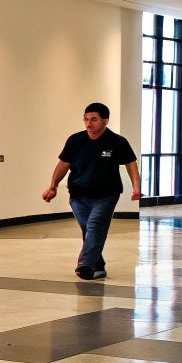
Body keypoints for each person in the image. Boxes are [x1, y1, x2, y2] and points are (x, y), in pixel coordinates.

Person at [42, 101, 141, 281]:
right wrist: (53, 186)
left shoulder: (117, 142)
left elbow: (131, 164)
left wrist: (136, 187)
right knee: (89, 230)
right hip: (78, 196)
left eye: (94, 119)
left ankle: (85, 265)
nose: (89, 123)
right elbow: (63, 165)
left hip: (106, 195)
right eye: (86, 119)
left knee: (95, 226)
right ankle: (98, 265)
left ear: (105, 121)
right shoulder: (75, 140)